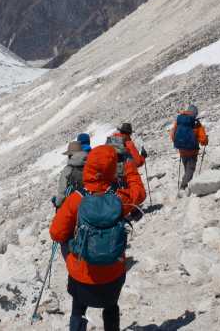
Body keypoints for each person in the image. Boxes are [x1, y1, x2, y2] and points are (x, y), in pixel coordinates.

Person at [50, 145, 140, 331]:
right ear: (113, 168)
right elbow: (139, 193)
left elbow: (56, 233)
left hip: (81, 275)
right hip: (113, 274)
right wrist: (130, 169)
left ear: (89, 167)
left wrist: (69, 257)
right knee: (111, 307)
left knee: (78, 309)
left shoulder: (76, 199)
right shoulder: (120, 199)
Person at [170, 105, 209, 190]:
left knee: (187, 168)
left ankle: (186, 184)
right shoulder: (196, 124)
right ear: (195, 113)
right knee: (190, 169)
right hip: (192, 151)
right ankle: (183, 187)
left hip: (182, 150)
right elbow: (203, 140)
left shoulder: (179, 120)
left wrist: (179, 142)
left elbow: (173, 135)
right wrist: (206, 140)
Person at [55, 140, 88, 208]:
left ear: (70, 155)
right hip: (89, 205)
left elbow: (62, 193)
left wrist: (57, 204)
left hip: (73, 207)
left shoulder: (67, 170)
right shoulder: (89, 165)